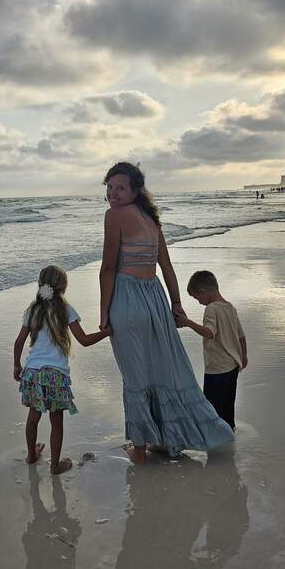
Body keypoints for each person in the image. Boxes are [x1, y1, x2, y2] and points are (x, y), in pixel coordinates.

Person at [99, 162, 234, 464]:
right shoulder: (151, 218)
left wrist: (103, 311)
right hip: (155, 298)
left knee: (135, 375)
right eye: (109, 187)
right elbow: (167, 266)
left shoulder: (114, 216)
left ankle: (140, 447)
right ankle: (166, 438)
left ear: (135, 190)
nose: (113, 194)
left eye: (120, 187)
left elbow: (108, 268)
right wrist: (175, 302)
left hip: (127, 298)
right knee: (162, 370)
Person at [13, 265, 111, 474]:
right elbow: (84, 340)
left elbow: (19, 341)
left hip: (32, 372)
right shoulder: (66, 310)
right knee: (56, 421)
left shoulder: (33, 310)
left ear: (41, 285)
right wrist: (107, 332)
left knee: (33, 416)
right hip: (55, 375)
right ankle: (55, 465)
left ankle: (31, 455)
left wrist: (16, 365)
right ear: (63, 286)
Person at [177, 271, 247, 430]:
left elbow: (209, 333)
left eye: (197, 298)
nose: (199, 302)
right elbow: (241, 336)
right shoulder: (230, 307)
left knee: (212, 409)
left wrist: (188, 322)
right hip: (233, 365)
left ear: (203, 292)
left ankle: (217, 438)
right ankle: (230, 431)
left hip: (217, 369)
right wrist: (244, 356)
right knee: (228, 405)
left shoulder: (211, 309)